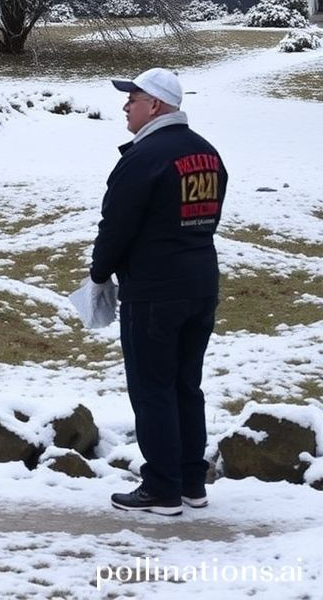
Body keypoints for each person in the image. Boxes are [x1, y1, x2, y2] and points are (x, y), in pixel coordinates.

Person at [90, 66, 227, 517]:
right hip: (201, 284)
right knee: (187, 386)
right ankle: (191, 482)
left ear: (155, 105)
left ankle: (162, 488)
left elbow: (117, 225)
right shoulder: (207, 153)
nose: (125, 106)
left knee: (153, 390)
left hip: (154, 291)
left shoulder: (144, 157)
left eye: (132, 98)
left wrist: (99, 274)